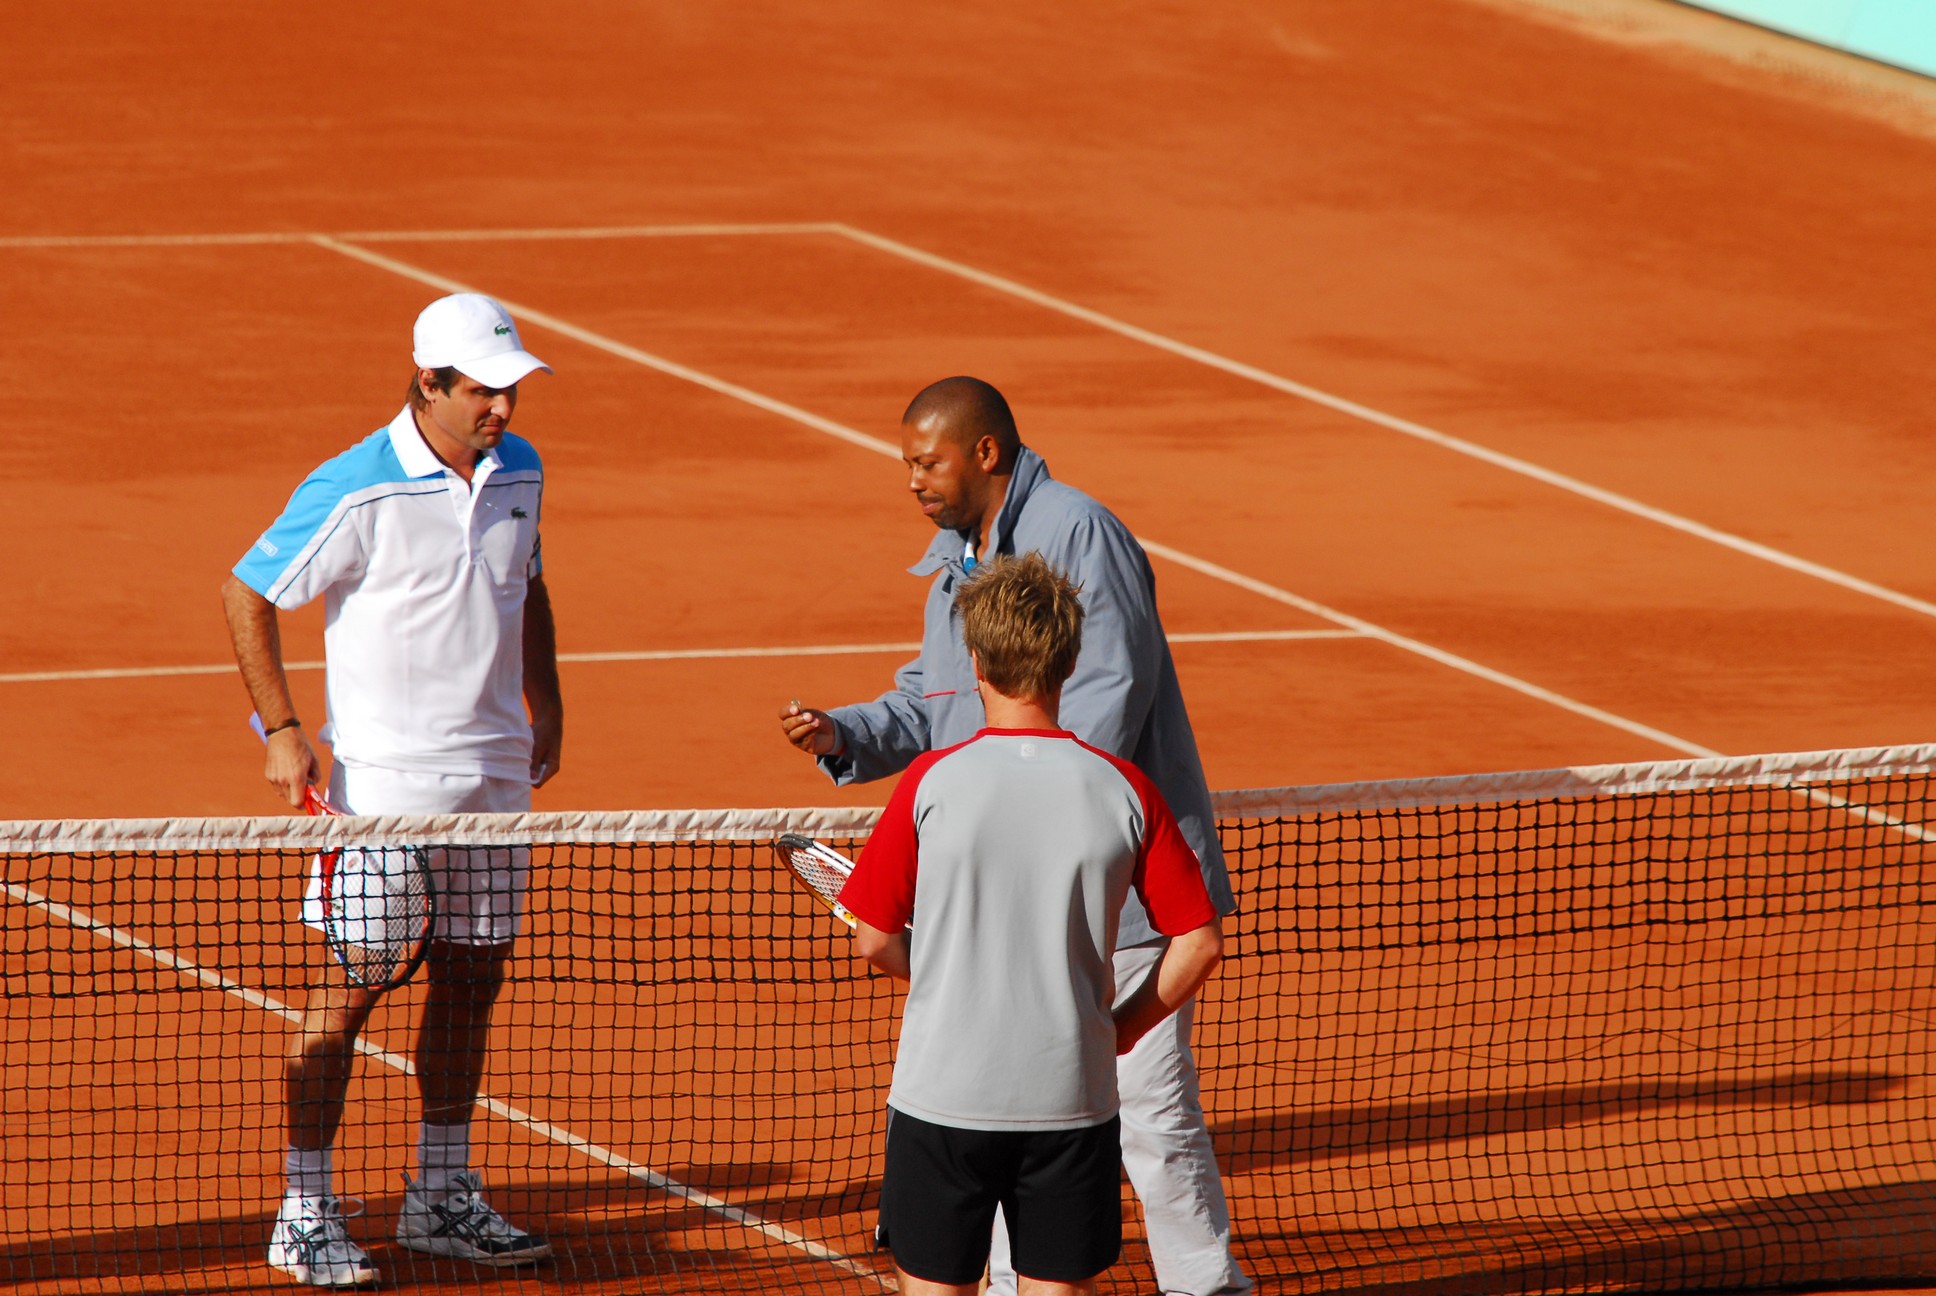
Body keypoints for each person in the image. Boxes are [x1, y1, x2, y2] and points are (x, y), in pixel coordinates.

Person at [780, 376, 1249, 1296]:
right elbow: (936, 701)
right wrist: (846, 734)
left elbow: (1107, 702)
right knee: (1005, 1120)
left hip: (1109, 897)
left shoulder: (1081, 534)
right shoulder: (958, 556)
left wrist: (1003, 829)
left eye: (927, 461)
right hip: (1004, 888)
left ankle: (1208, 1288)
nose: (912, 478)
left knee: (1152, 1116)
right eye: (906, 464)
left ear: (983, 452)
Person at [222, 292, 563, 1289]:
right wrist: (283, 732)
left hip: (495, 782)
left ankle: (441, 1197)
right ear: (429, 382)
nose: (502, 406)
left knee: (472, 981)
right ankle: (304, 1206)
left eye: (511, 388)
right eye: (484, 390)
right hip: (382, 790)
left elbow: (528, 584)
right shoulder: (356, 487)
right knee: (354, 989)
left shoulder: (522, 470)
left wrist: (549, 706)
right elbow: (248, 590)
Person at [840, 552, 1224, 1296]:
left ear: (974, 660)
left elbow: (875, 939)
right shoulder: (1123, 788)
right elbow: (1199, 941)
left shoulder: (930, 783)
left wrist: (947, 979)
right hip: (1070, 1099)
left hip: (942, 1097)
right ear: (1071, 661)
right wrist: (1122, 1026)